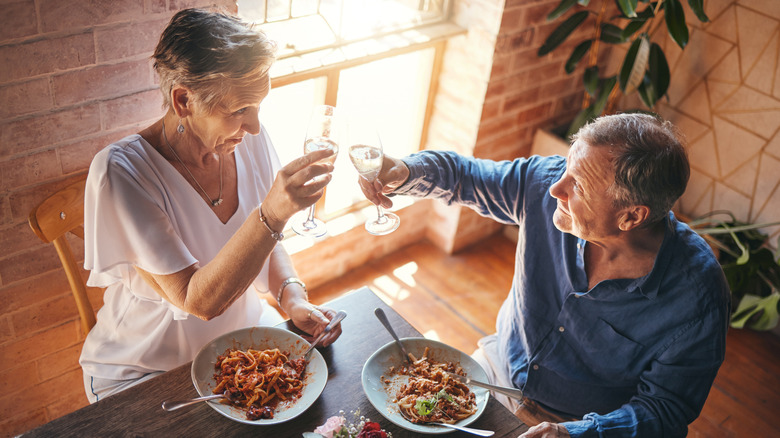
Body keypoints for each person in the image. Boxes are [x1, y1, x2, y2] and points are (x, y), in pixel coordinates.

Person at [359, 113, 730, 437]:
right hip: (489, 376)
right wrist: (405, 171)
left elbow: (666, 411)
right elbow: (463, 175)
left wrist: (577, 433)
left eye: (578, 187)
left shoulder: (697, 298)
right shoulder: (551, 182)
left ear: (631, 216)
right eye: (568, 168)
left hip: (580, 423)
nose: (556, 188)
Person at [80, 8, 343, 402]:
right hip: (147, 371)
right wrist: (273, 213)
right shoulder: (121, 172)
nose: (254, 125)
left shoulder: (247, 139)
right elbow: (197, 300)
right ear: (184, 99)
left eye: (258, 107)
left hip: (239, 351)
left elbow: (265, 243)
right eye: (240, 110)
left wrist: (293, 297)